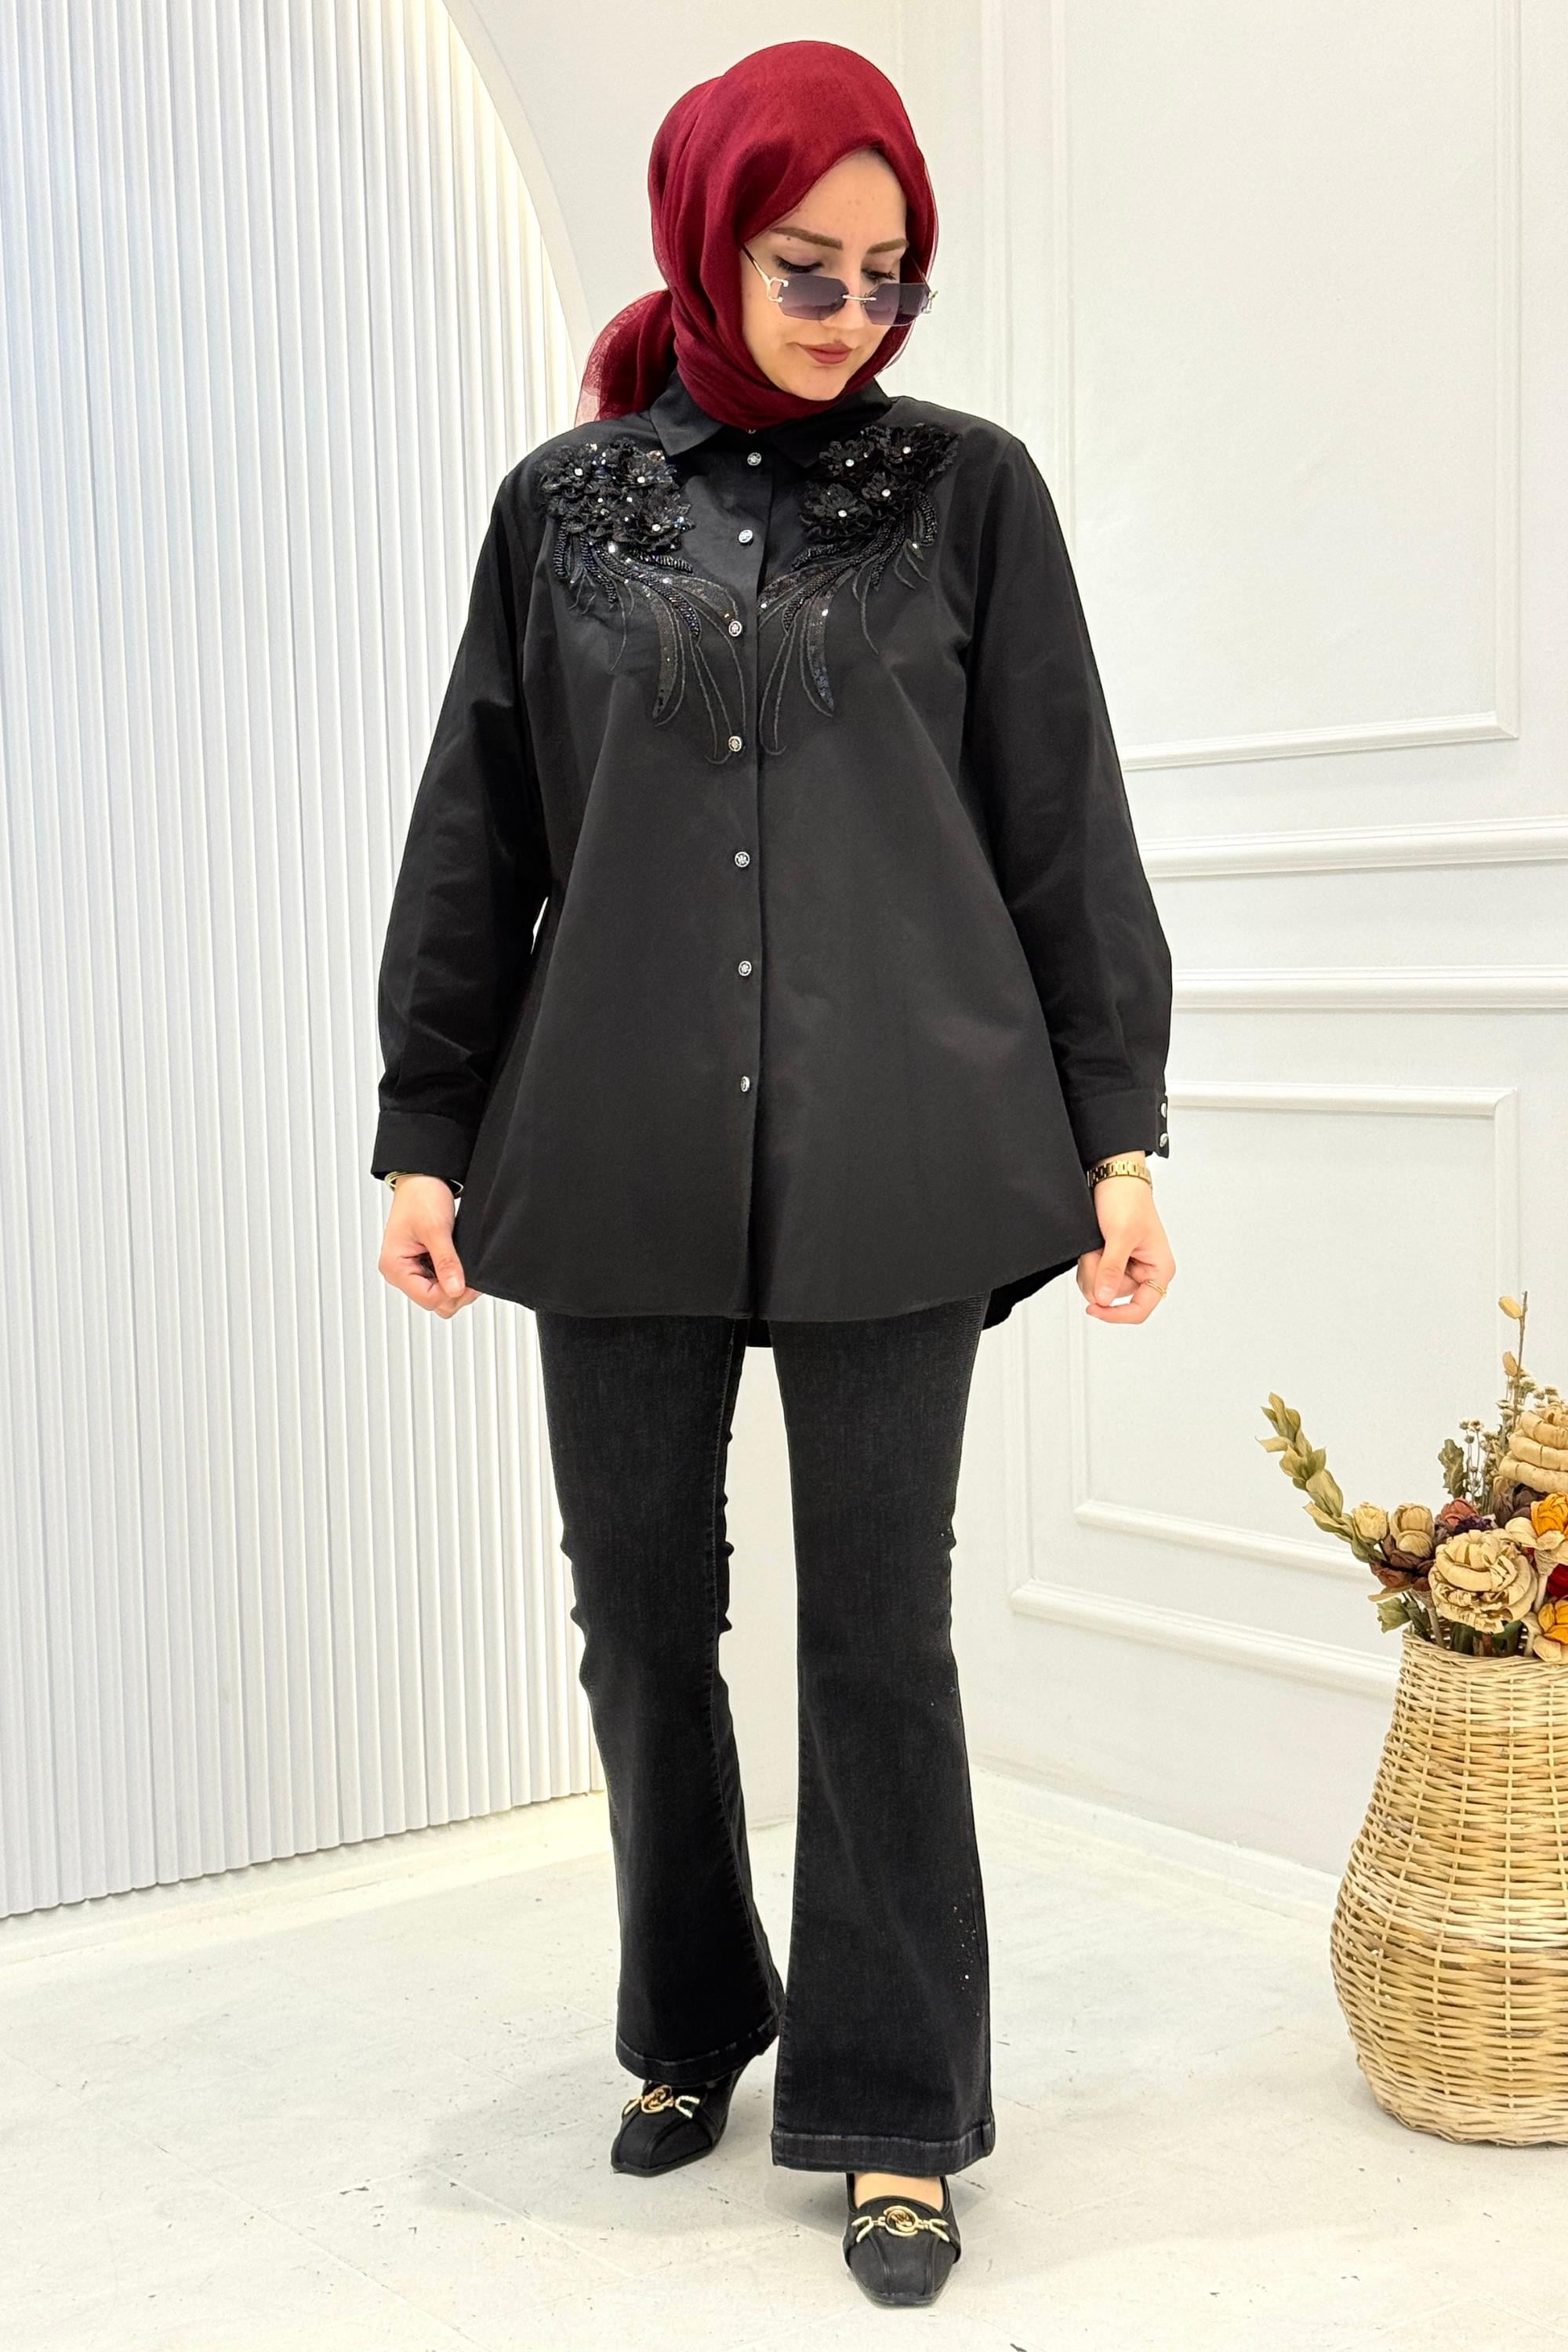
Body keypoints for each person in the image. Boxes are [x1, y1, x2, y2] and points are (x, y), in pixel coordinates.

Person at [371, 38, 1174, 2310]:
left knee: (879, 1638)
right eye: (808, 265)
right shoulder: (560, 507)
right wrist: (425, 1128)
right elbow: (478, 830)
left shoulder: (972, 492)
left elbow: (1060, 817)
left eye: (890, 274)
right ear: (711, 236)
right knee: (639, 1616)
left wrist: (1120, 1130)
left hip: (906, 1138)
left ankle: (897, 2106)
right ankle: (693, 2017)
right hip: (612, 1134)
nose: (851, 313)